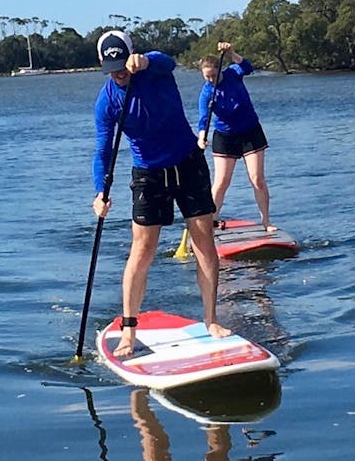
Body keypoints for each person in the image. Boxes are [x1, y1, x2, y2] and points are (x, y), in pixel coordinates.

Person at [91, 30, 231, 357]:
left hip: (188, 162)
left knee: (203, 242)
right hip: (148, 174)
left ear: (131, 54)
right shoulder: (107, 101)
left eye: (123, 62)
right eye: (111, 67)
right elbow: (102, 152)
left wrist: (145, 60)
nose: (119, 72)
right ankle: (128, 332)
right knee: (142, 250)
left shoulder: (155, 69)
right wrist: (100, 192)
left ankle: (211, 319)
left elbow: (166, 60)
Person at [197, 42, 277, 232]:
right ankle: (211, 222)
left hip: (250, 132)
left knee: (257, 178)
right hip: (225, 136)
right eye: (206, 77)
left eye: (213, 76)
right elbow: (203, 119)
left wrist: (232, 53)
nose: (210, 80)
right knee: (221, 182)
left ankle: (266, 221)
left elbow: (247, 67)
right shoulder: (206, 92)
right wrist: (201, 138)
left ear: (220, 70)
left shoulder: (233, 73)